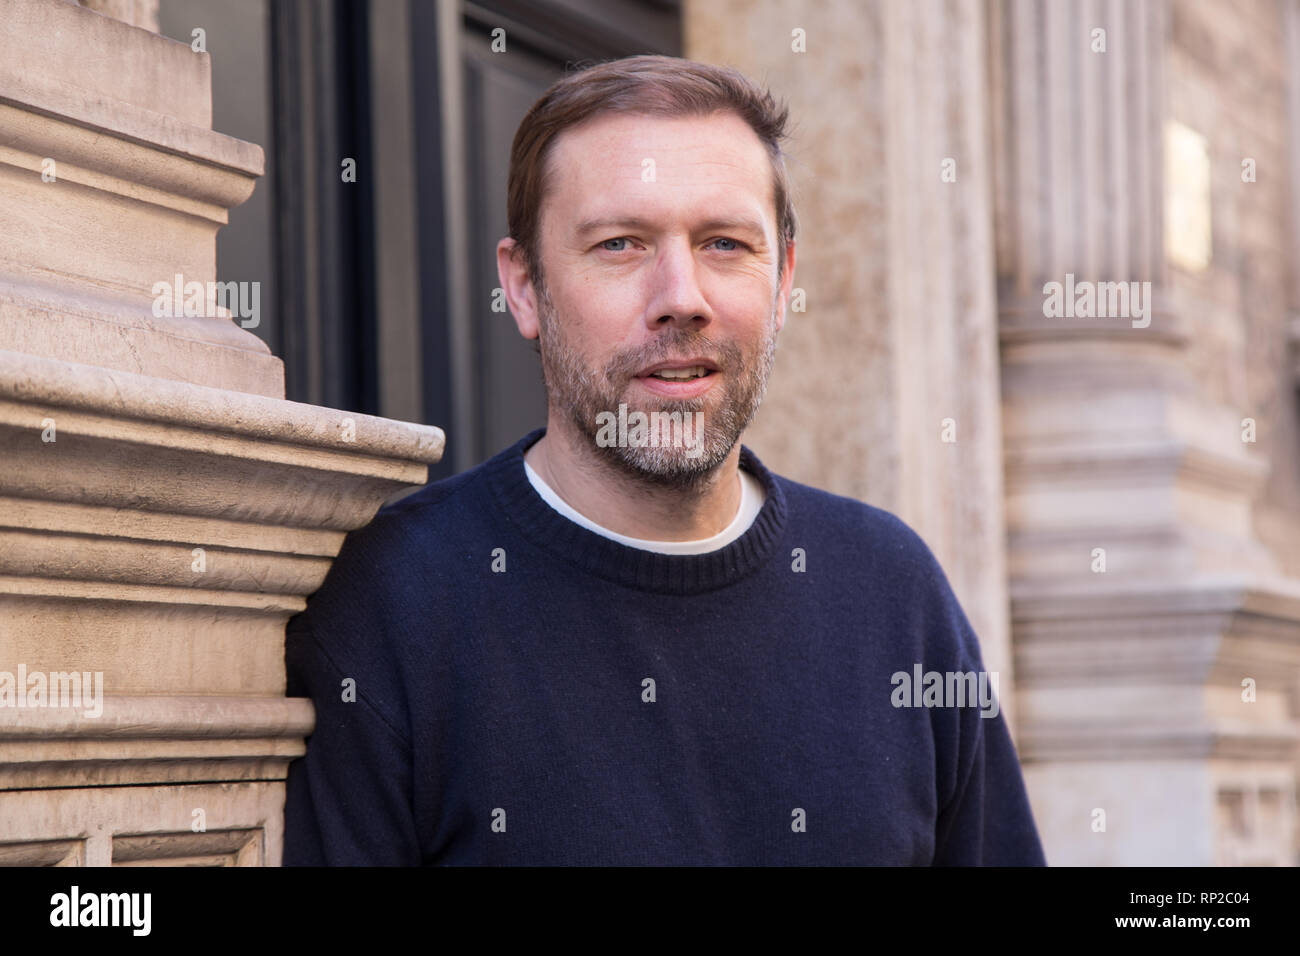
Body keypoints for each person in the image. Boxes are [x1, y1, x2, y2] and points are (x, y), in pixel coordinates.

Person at [282, 54, 1047, 866]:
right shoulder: (391, 605)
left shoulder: (894, 590)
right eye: (620, 244)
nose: (681, 295)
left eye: (724, 243)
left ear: (784, 278)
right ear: (526, 288)